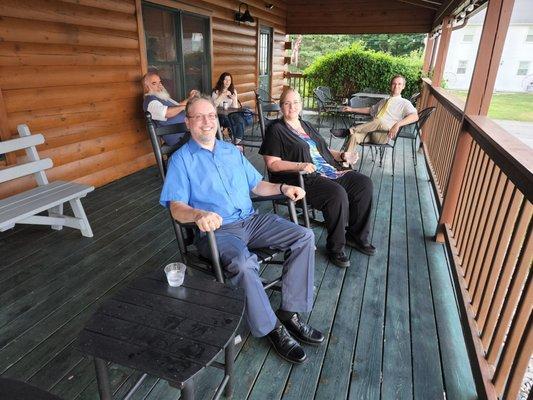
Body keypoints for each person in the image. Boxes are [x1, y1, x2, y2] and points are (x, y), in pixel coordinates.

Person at [160, 95, 324, 364]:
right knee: (243, 264)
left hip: (251, 220)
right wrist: (198, 213)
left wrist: (283, 188)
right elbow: (176, 207)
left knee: (304, 236)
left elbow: (257, 186)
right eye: (199, 117)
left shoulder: (230, 151)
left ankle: (289, 312)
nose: (207, 122)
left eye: (211, 116)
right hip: (219, 231)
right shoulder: (181, 160)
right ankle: (272, 328)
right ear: (188, 123)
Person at [259, 88, 375, 269]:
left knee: (363, 184)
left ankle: (356, 236)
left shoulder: (306, 125)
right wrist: (300, 165)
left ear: (301, 104)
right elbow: (272, 163)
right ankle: (336, 247)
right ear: (281, 107)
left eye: (296, 102)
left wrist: (343, 156)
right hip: (301, 178)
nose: (292, 107)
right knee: (337, 194)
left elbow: (323, 150)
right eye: (287, 103)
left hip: (329, 170)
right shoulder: (276, 129)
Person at [341, 75, 419, 153]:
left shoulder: (404, 103)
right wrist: (351, 109)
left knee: (378, 121)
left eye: (399, 84)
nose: (396, 86)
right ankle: (345, 162)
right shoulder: (384, 101)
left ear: (403, 86)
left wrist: (398, 124)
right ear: (390, 85)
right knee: (354, 137)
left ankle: (350, 130)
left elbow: (415, 116)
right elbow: (370, 110)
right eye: (394, 84)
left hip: (382, 135)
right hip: (370, 132)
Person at [142, 71, 199, 146]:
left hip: (187, 131)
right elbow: (166, 113)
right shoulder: (150, 102)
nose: (159, 85)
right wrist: (184, 107)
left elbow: (177, 106)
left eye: (160, 82)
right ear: (147, 87)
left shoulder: (161, 97)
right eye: (154, 83)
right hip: (179, 137)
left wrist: (190, 98)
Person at [212, 72, 247, 144]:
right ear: (222, 80)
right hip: (219, 115)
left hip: (231, 114)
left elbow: (235, 108)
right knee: (230, 122)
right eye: (225, 80)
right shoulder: (216, 92)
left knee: (240, 120)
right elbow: (213, 105)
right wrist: (222, 95)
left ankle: (237, 141)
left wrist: (234, 99)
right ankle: (229, 137)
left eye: (229, 80)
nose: (228, 82)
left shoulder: (233, 91)